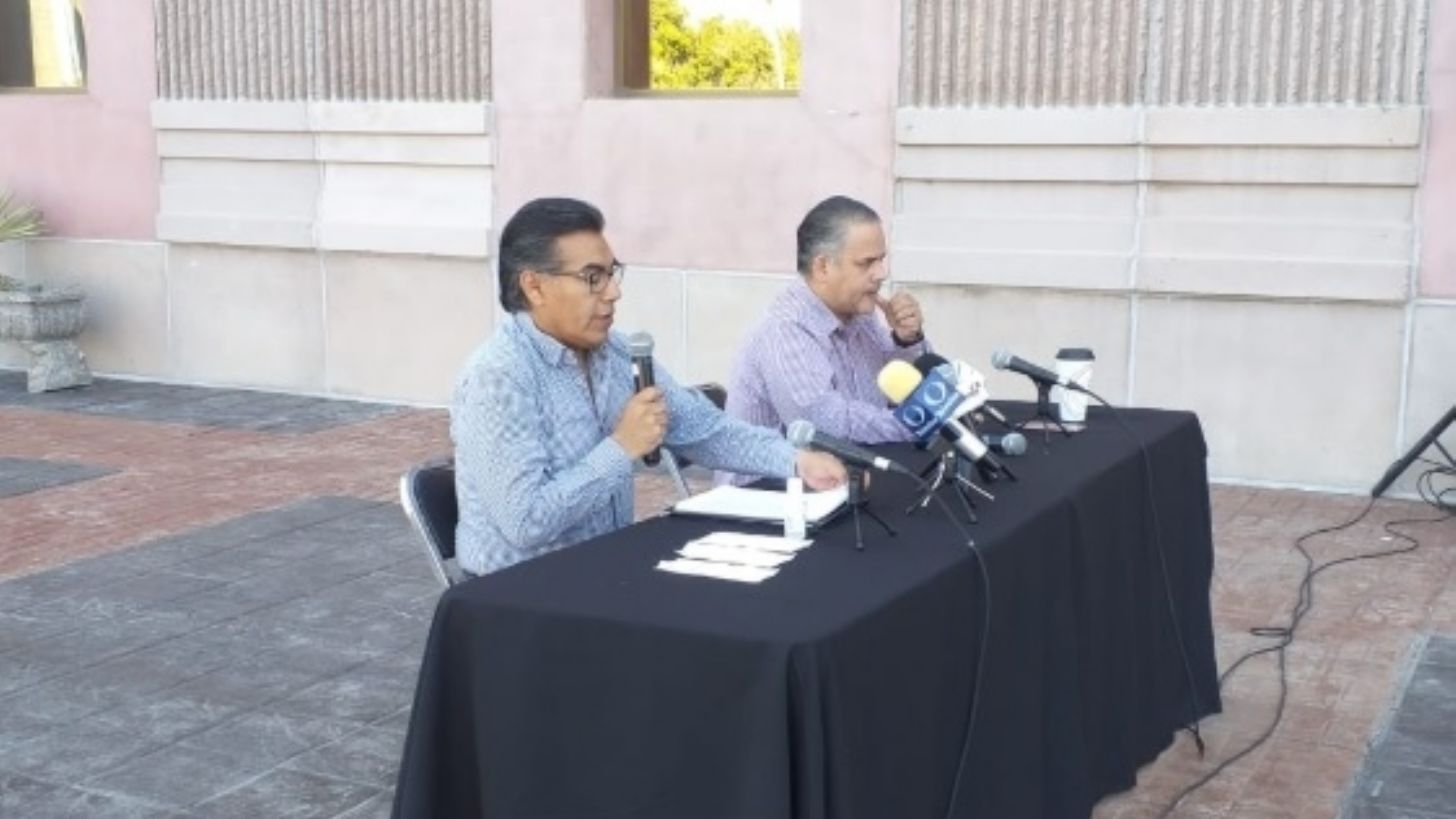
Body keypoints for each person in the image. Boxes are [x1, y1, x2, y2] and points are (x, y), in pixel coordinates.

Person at [451, 197, 847, 576]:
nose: (613, 292)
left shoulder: (618, 354)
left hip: (605, 568)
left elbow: (706, 430)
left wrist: (794, 461)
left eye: (612, 273)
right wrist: (622, 447)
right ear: (534, 287)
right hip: (518, 591)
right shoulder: (498, 377)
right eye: (592, 278)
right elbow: (525, 522)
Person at [724, 195, 931, 450]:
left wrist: (907, 339)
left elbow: (899, 388)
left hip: (859, 467)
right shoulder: (784, 330)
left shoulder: (860, 315)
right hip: (777, 476)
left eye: (881, 260)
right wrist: (920, 423)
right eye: (867, 263)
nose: (881, 273)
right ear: (822, 267)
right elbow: (827, 428)